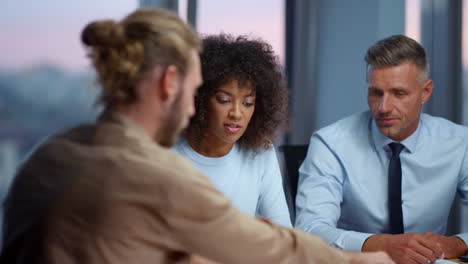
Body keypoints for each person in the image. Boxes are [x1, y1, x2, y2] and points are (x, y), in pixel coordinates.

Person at [0, 8, 394, 264]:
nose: (193, 108)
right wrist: (364, 259)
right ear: (171, 82)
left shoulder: (49, 154)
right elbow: (271, 250)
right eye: (196, 91)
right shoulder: (158, 177)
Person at [295, 34, 468, 264]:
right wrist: (381, 245)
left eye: (399, 94)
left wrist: (456, 244)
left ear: (425, 92)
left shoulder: (459, 142)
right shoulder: (330, 143)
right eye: (376, 93)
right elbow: (309, 230)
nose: (384, 107)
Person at [174, 34, 291, 227]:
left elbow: (284, 232)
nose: (237, 113)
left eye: (247, 103)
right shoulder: (166, 152)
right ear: (199, 99)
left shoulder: (261, 153)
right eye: (224, 100)